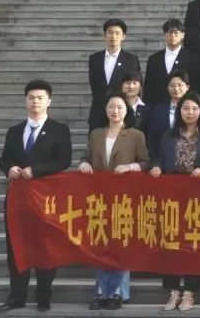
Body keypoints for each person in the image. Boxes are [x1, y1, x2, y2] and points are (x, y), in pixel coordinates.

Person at [0, 79, 73, 314]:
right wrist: (9, 168)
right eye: (31, 98)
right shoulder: (15, 131)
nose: (35, 102)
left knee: (45, 246)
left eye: (40, 98)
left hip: (46, 199)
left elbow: (64, 161)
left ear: (49, 101)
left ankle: (43, 296)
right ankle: (17, 297)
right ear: (25, 101)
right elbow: (4, 159)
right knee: (16, 246)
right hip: (17, 199)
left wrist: (36, 170)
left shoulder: (59, 130)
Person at [79, 94, 151, 310]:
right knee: (101, 244)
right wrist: (83, 164)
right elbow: (85, 156)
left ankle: (118, 293)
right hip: (99, 198)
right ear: (106, 109)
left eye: (119, 107)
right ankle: (101, 292)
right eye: (111, 106)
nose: (115, 111)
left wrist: (130, 167)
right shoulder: (96, 134)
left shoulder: (135, 135)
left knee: (121, 245)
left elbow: (145, 162)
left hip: (125, 198)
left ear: (126, 111)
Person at [150, 91, 200, 313]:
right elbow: (158, 157)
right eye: (186, 108)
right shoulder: (169, 135)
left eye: (194, 109)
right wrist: (156, 166)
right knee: (170, 243)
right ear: (179, 111)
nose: (190, 112)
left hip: (197, 196)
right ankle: (173, 290)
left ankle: (190, 291)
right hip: (171, 195)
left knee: (193, 244)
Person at [87, 17, 142, 131]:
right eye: (110, 33)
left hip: (121, 114)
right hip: (98, 113)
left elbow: (135, 85)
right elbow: (94, 84)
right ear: (104, 35)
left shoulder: (131, 59)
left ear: (123, 36)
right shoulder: (94, 59)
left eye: (117, 33)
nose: (113, 36)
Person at [146, 18, 200, 106]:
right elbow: (148, 87)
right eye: (169, 32)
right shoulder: (154, 59)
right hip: (158, 106)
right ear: (164, 35)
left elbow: (195, 85)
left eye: (176, 32)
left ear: (182, 35)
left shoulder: (192, 58)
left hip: (184, 106)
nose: (172, 35)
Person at [145, 69, 191, 158]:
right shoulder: (158, 110)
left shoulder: (194, 109)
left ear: (187, 87)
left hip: (188, 159)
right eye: (172, 85)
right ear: (167, 87)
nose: (176, 89)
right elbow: (152, 138)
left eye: (180, 85)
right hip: (162, 159)